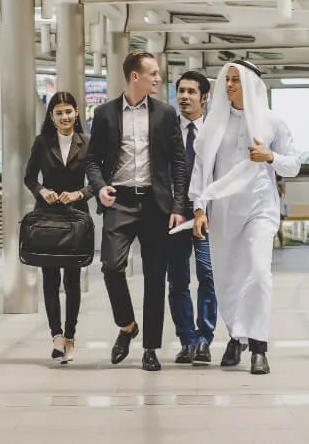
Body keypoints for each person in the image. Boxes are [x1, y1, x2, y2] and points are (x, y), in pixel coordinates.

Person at [191, 60, 300, 375]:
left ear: (251, 83)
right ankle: (235, 336)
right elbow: (202, 170)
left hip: (260, 209)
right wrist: (199, 209)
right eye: (227, 80)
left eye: (236, 80)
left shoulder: (271, 122)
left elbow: (293, 165)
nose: (229, 85)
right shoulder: (215, 122)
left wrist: (271, 156)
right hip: (223, 212)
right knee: (228, 280)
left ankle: (259, 347)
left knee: (259, 272)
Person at [86, 50, 190, 372]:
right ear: (135, 77)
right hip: (118, 200)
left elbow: (179, 163)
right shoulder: (104, 113)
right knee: (111, 267)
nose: (158, 79)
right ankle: (128, 326)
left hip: (156, 204)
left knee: (155, 277)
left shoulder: (165, 113)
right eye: (153, 74)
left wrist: (178, 206)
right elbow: (92, 160)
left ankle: (150, 348)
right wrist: (100, 186)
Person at [23, 91, 92, 364]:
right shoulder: (42, 142)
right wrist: (42, 191)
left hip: (75, 218)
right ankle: (56, 336)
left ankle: (71, 337)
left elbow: (98, 180)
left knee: (72, 282)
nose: (64, 117)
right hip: (48, 218)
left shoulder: (87, 142)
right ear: (51, 116)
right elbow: (29, 177)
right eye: (59, 113)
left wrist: (78, 194)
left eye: (68, 111)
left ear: (76, 112)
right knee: (50, 279)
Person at [168, 70, 217, 365]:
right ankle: (186, 339)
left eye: (191, 92)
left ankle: (204, 339)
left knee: (208, 275)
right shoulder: (167, 130)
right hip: (174, 215)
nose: (184, 97)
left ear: (204, 97)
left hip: (207, 214)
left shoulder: (214, 132)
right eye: (181, 91)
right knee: (177, 279)